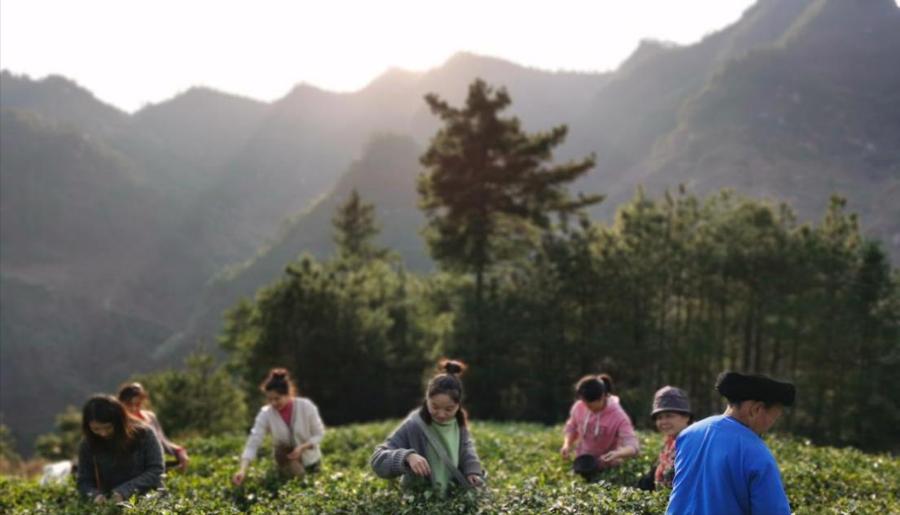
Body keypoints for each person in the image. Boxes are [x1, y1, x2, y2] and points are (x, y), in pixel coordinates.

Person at [666, 371, 795, 515]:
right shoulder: (757, 452)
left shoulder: (688, 434)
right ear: (756, 409)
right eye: (774, 416)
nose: (772, 424)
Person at [370, 359, 485, 497]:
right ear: (427, 399)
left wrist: (472, 471)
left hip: (452, 499)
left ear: (458, 405)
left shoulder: (458, 425)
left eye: (449, 409)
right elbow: (377, 460)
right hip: (420, 500)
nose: (441, 414)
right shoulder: (413, 425)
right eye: (435, 407)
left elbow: (467, 450)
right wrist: (407, 456)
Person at [232, 368, 325, 485]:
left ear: (288, 394)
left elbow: (319, 433)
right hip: (287, 463)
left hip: (312, 461)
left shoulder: (306, 406)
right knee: (296, 489)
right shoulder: (266, 413)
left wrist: (303, 447)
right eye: (270, 399)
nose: (273, 403)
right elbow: (253, 442)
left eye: (277, 398)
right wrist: (242, 470)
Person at [76, 395, 164, 504]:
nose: (103, 433)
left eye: (108, 427)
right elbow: (84, 481)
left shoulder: (143, 435)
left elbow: (156, 470)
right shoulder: (88, 444)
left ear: (119, 421)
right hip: (112, 503)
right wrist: (95, 495)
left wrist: (124, 491)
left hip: (150, 499)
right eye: (96, 429)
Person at [560, 374, 639, 481]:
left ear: (602, 397)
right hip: (582, 463)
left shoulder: (619, 417)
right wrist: (567, 445)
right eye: (584, 402)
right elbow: (571, 427)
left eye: (590, 405)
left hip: (607, 467)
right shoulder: (579, 406)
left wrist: (617, 453)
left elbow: (633, 446)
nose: (587, 407)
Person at [118, 382, 189, 471]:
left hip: (158, 462)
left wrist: (179, 451)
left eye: (137, 404)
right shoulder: (121, 421)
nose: (133, 408)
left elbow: (163, 441)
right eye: (129, 404)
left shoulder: (150, 416)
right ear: (121, 403)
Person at [637, 386, 693, 491]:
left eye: (669, 416)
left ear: (686, 417)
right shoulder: (670, 442)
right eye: (659, 417)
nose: (663, 422)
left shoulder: (693, 444)